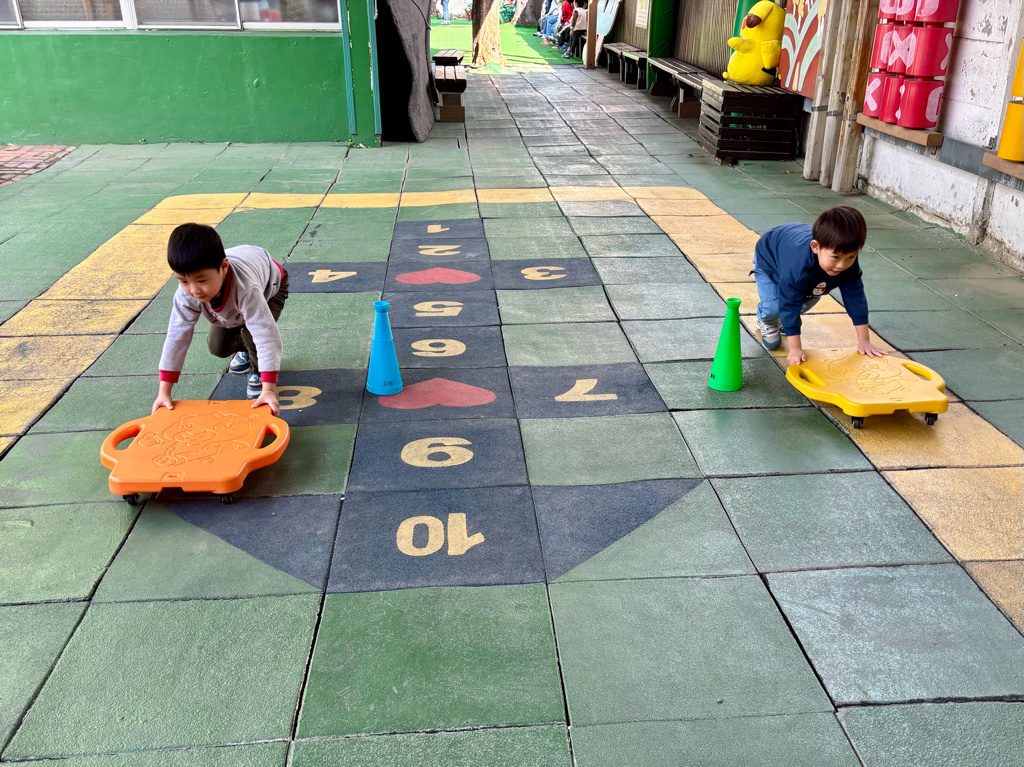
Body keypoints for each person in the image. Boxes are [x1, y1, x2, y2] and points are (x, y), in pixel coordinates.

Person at [152, 223, 289, 416]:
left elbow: (266, 335)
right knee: (217, 346)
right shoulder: (186, 295)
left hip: (270, 283)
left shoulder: (246, 289)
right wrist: (164, 392)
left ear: (224, 267)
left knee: (254, 336)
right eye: (183, 281)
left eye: (201, 281)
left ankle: (257, 371)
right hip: (232, 297)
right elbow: (176, 337)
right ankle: (245, 351)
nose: (194, 290)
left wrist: (269, 390)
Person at [751, 206, 888, 368]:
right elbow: (789, 305)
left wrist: (864, 341)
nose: (842, 265)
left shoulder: (845, 257)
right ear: (815, 247)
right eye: (835, 257)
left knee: (806, 300)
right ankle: (766, 320)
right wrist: (795, 349)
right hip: (770, 256)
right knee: (776, 305)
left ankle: (784, 322)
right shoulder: (798, 267)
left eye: (851, 257)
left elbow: (855, 298)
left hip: (794, 253)